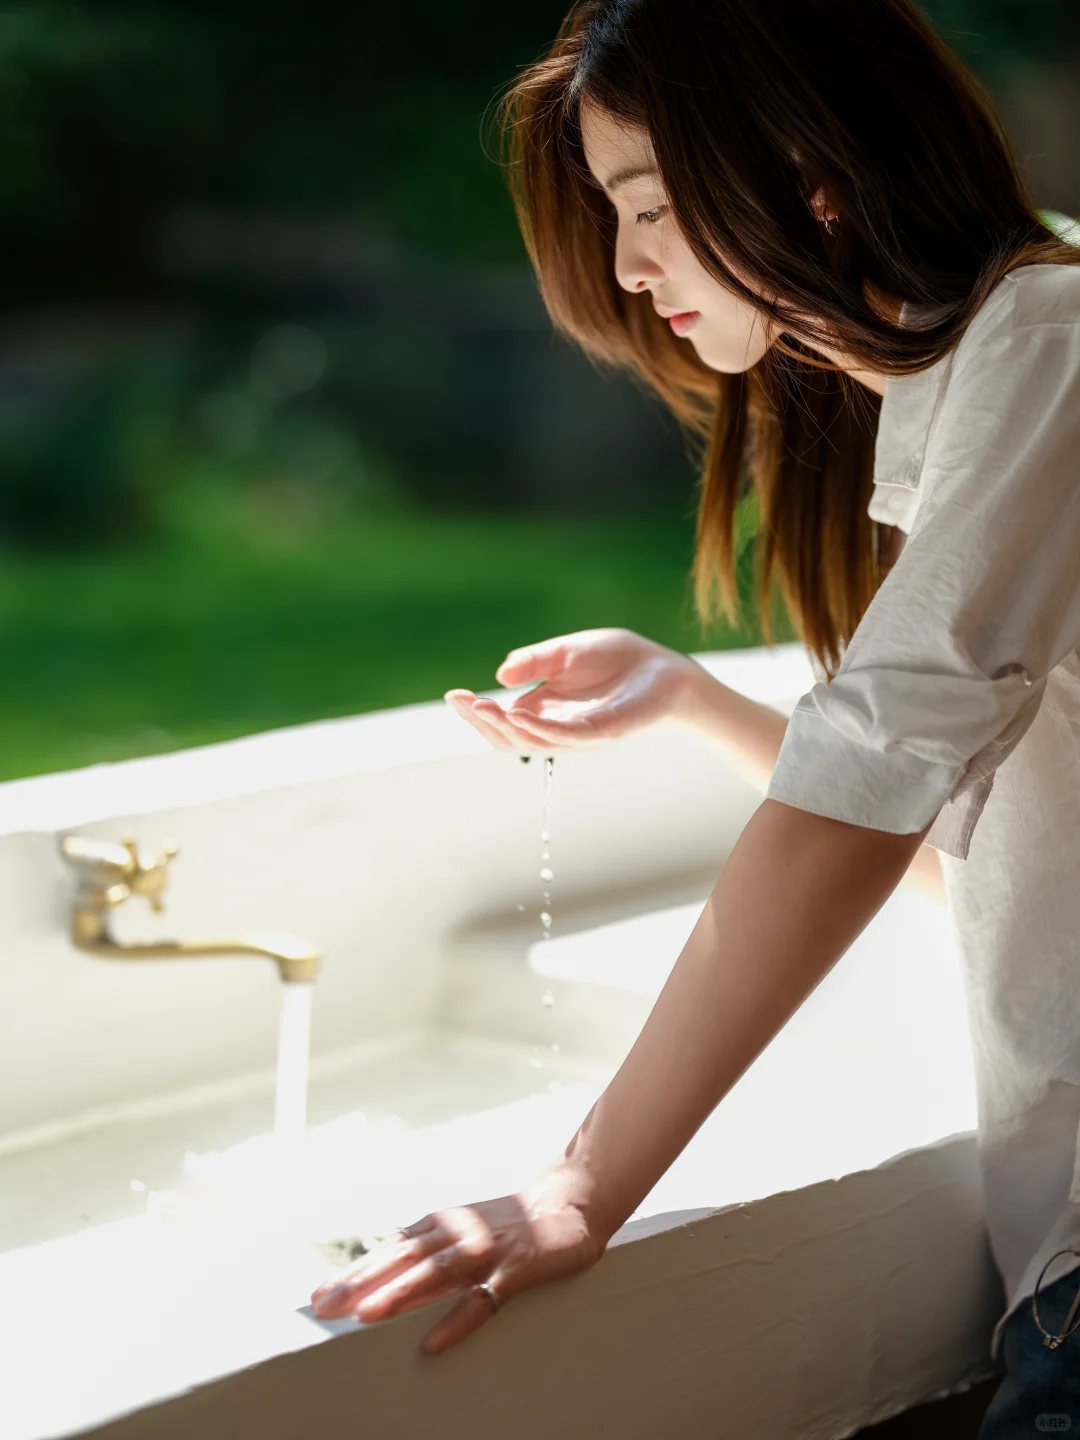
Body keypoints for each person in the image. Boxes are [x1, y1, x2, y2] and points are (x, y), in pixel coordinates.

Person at [312, 1, 1080, 1426]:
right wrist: (699, 704)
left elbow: (873, 777)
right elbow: (966, 858)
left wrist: (581, 1187)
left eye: (651, 205)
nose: (626, 262)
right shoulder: (982, 377)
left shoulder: (1051, 334)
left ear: (814, 171)